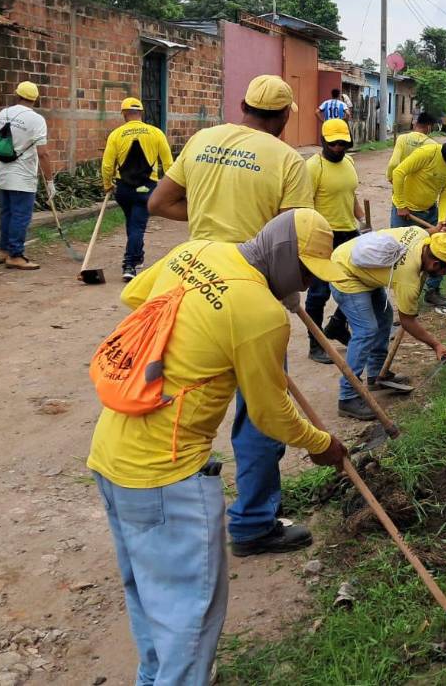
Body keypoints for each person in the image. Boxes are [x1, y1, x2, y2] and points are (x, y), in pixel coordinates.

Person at [88, 209, 347, 686]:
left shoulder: (198, 250)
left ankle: (156, 677)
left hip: (110, 453)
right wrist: (321, 444)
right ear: (285, 258)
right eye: (306, 270)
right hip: (168, 476)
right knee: (190, 611)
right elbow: (270, 414)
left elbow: (134, 296)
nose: (309, 282)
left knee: (148, 592)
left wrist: (203, 332)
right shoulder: (261, 315)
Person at [148, 74, 318, 558]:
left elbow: (159, 203)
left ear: (241, 105)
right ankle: (253, 524)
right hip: (248, 290)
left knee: (178, 399)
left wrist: (204, 217)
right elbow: (297, 238)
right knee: (263, 409)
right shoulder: (287, 160)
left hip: (190, 278)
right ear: (285, 117)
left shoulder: (202, 140)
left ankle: (171, 515)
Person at [329, 226, 446, 419]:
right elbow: (407, 322)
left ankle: (376, 375)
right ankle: (347, 397)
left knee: (384, 318)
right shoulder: (408, 279)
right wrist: (436, 345)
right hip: (344, 272)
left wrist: (438, 230)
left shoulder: (422, 234)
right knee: (366, 330)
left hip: (362, 266)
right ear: (435, 264)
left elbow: (430, 231)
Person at [391, 128, 446, 308]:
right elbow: (398, 172)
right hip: (405, 212)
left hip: (429, 211)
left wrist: (441, 221)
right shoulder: (429, 153)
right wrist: (400, 204)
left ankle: (432, 292)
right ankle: (405, 299)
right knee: (402, 254)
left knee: (441, 249)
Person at [304, 118, 365, 364]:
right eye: (334, 143)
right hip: (323, 237)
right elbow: (304, 207)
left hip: (350, 234)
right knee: (319, 294)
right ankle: (315, 344)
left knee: (360, 283)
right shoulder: (312, 167)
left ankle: (338, 325)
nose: (339, 148)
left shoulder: (349, 162)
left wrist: (363, 221)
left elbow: (351, 197)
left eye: (344, 143)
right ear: (323, 141)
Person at [101, 98, 173, 282]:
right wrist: (172, 188)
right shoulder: (156, 133)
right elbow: (168, 164)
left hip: (124, 189)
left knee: (132, 223)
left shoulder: (116, 134)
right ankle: (130, 264)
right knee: (137, 226)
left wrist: (107, 184)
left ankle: (137, 254)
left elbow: (107, 165)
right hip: (146, 188)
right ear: (141, 113)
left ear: (124, 113)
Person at [0, 81, 52, 270]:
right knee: (20, 216)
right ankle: (15, 255)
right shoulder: (36, 120)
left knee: (7, 213)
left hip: (3, 171)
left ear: (17, 95)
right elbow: (42, 153)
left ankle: (3, 251)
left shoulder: (3, 114)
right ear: (35, 99)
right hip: (23, 175)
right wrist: (50, 181)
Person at [385, 112, 435, 183]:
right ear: (429, 127)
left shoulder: (402, 138)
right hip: (419, 187)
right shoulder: (432, 145)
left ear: (415, 124)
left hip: (400, 183)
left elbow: (393, 163)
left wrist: (391, 177)